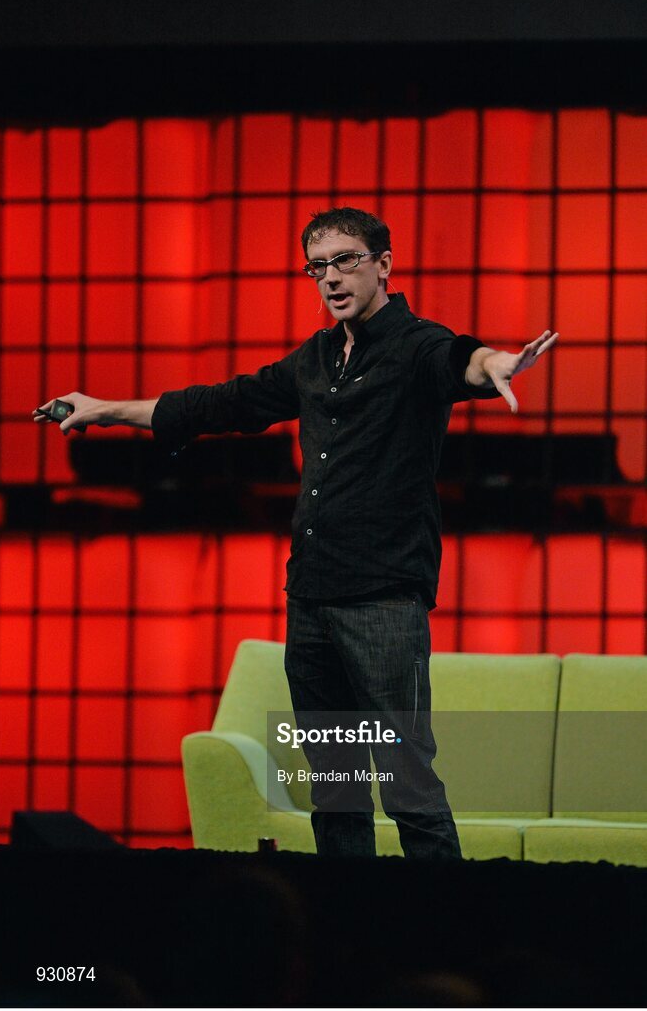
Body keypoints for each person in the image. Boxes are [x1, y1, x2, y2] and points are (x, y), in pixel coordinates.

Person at [34, 207, 557, 859]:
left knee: (404, 779)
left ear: (382, 265)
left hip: (383, 598)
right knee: (334, 790)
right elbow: (220, 404)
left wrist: (493, 363)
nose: (331, 279)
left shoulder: (414, 343)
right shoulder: (314, 359)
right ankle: (345, 933)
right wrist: (103, 409)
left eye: (345, 261)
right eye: (318, 267)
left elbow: (458, 359)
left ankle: (442, 932)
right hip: (310, 597)